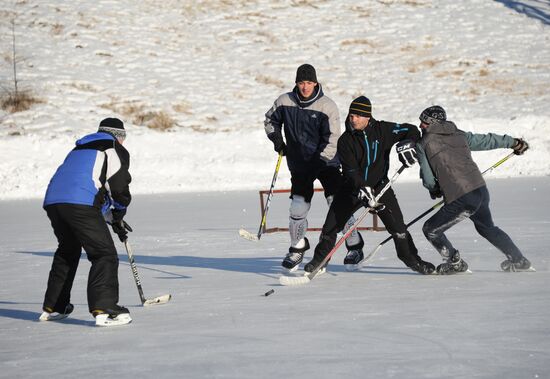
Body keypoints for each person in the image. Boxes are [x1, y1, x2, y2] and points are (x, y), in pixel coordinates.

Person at [304, 96, 435, 275]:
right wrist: (362, 188)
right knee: (330, 227)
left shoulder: (383, 130)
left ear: (368, 117)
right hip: (352, 189)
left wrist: (407, 144)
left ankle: (412, 260)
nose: (353, 119)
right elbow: (351, 171)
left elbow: (411, 130)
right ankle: (320, 260)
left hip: (381, 187)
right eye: (351, 115)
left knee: (398, 228)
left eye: (358, 116)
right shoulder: (345, 140)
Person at [264, 64, 363, 272]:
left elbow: (333, 139)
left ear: (316, 83)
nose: (305, 87)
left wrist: (319, 161)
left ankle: (354, 244)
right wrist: (277, 140)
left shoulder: (327, 106)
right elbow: (270, 120)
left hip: (327, 163)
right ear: (296, 83)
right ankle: (297, 247)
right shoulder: (284, 101)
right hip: (300, 164)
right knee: (298, 207)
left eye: (309, 83)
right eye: (301, 82)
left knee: (336, 203)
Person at [39, 117, 134, 326]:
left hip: (55, 202)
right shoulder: (113, 147)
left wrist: (109, 217)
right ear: (118, 136)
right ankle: (105, 308)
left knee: (68, 250)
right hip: (79, 203)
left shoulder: (79, 149)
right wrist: (119, 211)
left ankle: (55, 306)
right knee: (104, 254)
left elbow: (89, 185)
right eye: (124, 137)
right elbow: (117, 185)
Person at [416, 105, 533, 274]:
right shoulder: (460, 134)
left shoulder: (423, 143)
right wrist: (513, 142)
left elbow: (428, 178)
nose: (421, 126)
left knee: (431, 230)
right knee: (487, 228)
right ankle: (519, 260)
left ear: (433, 123)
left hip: (462, 196)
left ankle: (455, 263)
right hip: (480, 190)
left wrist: (434, 189)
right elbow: (486, 140)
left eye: (424, 123)